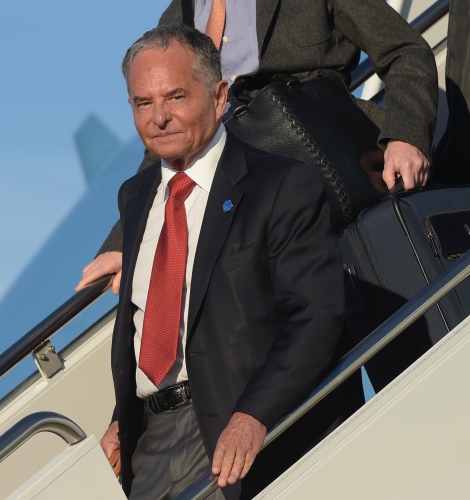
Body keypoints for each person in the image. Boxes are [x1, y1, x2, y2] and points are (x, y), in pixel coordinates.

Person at [99, 24, 364, 499]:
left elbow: (316, 314)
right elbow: (150, 318)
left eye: (175, 96)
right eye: (143, 103)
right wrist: (122, 419)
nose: (158, 117)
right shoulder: (135, 197)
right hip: (150, 447)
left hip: (234, 430)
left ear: (219, 96)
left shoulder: (281, 186)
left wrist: (253, 415)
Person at [75, 0, 438, 294]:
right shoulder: (175, 19)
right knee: (315, 374)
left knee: (414, 351)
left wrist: (405, 136)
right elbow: (164, 143)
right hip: (256, 228)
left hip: (345, 181)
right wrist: (127, 242)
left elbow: (403, 50)